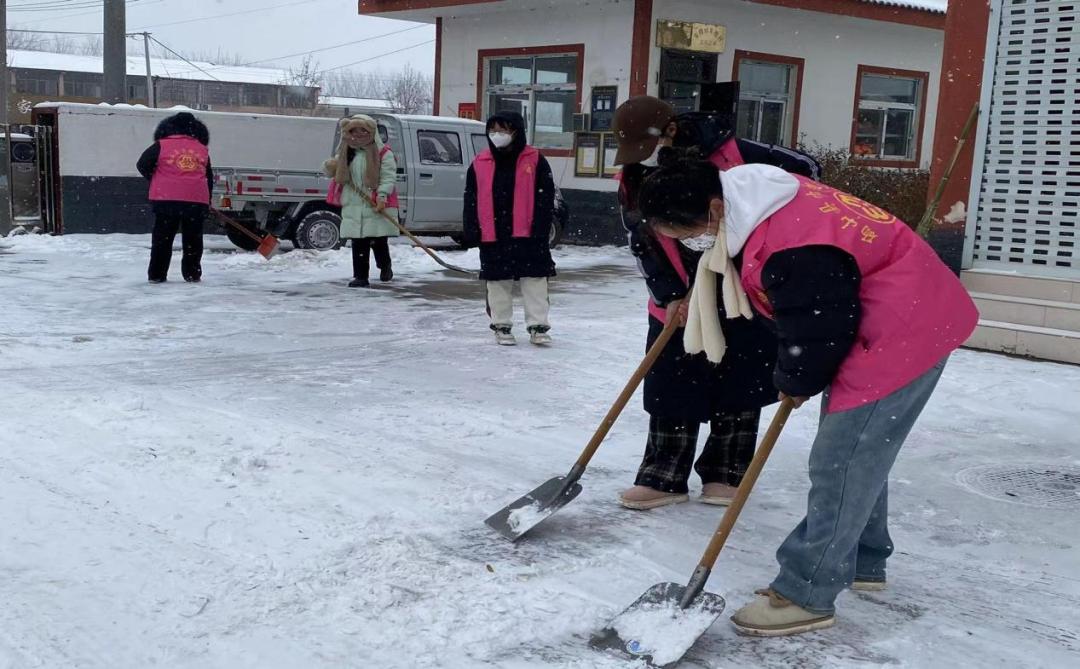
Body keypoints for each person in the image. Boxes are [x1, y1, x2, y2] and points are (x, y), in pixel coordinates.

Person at [638, 149, 978, 637]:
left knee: (840, 458)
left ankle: (806, 591)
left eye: (686, 235)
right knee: (860, 449)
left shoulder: (790, 244)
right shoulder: (757, 195)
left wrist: (795, 378)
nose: (691, 245)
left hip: (902, 328)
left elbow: (819, 323)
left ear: (713, 210)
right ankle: (864, 557)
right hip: (898, 309)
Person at [612, 97, 789, 509]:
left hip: (741, 290)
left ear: (669, 130)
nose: (643, 159)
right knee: (670, 381)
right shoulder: (635, 175)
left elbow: (805, 175)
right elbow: (642, 240)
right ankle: (663, 475)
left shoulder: (738, 153)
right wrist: (670, 292)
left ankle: (726, 473)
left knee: (742, 381)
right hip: (677, 297)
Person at [462, 112, 556, 346]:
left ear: (517, 131)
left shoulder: (535, 159)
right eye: (493, 130)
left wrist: (541, 228)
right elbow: (470, 197)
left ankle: (538, 326)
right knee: (497, 281)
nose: (497, 135)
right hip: (493, 232)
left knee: (534, 280)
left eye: (503, 130)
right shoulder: (480, 162)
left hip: (529, 233)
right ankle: (501, 326)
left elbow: (546, 197)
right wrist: (471, 227)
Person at [137, 112, 214, 283]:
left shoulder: (161, 145)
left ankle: (157, 275)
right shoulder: (202, 149)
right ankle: (192, 274)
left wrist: (157, 179)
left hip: (166, 200)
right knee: (193, 240)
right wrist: (207, 201)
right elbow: (208, 177)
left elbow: (142, 164)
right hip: (195, 200)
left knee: (162, 240)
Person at [323, 115, 399, 288]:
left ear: (371, 132)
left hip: (374, 201)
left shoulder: (383, 153)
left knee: (378, 241)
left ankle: (385, 265)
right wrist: (329, 167)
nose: (357, 134)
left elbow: (388, 177)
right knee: (358, 242)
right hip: (354, 201)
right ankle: (361, 277)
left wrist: (382, 196)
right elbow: (334, 174)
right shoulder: (345, 152)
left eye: (362, 130)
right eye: (353, 131)